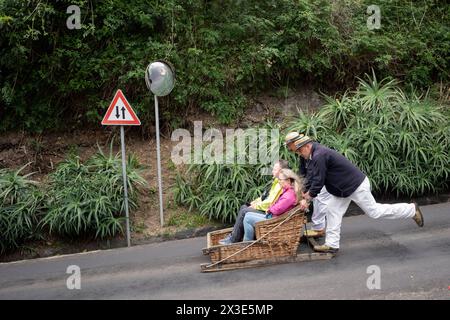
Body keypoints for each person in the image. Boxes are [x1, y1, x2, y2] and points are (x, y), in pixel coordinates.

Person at [294, 134, 424, 253]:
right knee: (332, 210)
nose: (299, 154)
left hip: (355, 186)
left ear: (307, 146)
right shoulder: (311, 155)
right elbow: (309, 176)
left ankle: (411, 210)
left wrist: (309, 197)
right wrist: (304, 193)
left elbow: (318, 180)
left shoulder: (319, 155)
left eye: (300, 150)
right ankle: (332, 245)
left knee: (374, 212)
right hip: (342, 189)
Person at [219, 160, 290, 245]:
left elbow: (270, 202)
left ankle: (233, 239)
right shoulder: (276, 181)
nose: (272, 171)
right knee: (244, 207)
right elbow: (265, 197)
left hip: (267, 211)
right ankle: (236, 235)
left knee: (244, 211)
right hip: (266, 208)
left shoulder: (280, 184)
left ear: (281, 171)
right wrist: (255, 202)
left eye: (275, 169)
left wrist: (256, 206)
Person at [285, 132, 330, 237]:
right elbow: (302, 170)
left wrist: (307, 193)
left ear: (294, 142)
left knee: (320, 201)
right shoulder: (301, 151)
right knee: (319, 202)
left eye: (289, 144)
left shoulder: (313, 151)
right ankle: (320, 228)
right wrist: (299, 185)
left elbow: (312, 174)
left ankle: (319, 230)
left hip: (325, 179)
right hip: (317, 178)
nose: (288, 148)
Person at [242, 169, 303, 241]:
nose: (279, 181)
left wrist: (270, 208)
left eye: (280, 179)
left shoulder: (289, 195)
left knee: (248, 219)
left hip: (275, 221)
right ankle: (248, 240)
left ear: (288, 180)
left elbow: (277, 210)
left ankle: (247, 243)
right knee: (248, 214)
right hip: (274, 217)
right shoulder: (289, 191)